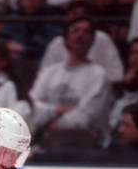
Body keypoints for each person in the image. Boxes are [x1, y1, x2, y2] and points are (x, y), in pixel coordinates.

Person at [30, 16, 112, 149]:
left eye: (86, 32)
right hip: (45, 144)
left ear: (92, 40)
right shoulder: (49, 73)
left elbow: (85, 118)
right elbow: (32, 108)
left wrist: (52, 120)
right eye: (75, 30)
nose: (80, 35)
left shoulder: (98, 75)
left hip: (86, 146)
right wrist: (58, 109)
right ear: (66, 38)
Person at [40, 0, 124, 83]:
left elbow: (116, 74)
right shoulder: (56, 43)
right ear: (66, 17)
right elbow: (44, 77)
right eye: (74, 13)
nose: (79, 17)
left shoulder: (102, 39)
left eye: (83, 13)